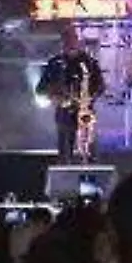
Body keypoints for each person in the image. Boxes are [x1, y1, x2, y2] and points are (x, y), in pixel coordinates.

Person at [36, 26, 104, 163]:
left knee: (88, 149)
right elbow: (40, 89)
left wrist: (89, 98)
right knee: (65, 150)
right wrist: (55, 95)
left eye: (74, 39)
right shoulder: (55, 63)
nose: (71, 42)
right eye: (68, 39)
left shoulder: (90, 63)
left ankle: (89, 166)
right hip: (64, 112)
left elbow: (100, 86)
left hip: (85, 112)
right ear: (62, 42)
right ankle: (65, 167)